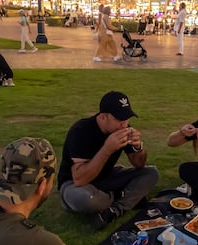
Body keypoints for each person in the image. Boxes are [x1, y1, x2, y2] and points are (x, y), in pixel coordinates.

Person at [59, 91, 159, 229]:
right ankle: (125, 196)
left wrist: (138, 147)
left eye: (127, 118)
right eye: (119, 119)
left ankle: (113, 210)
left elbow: (139, 164)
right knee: (85, 199)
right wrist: (107, 149)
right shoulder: (81, 130)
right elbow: (79, 179)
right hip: (75, 185)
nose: (124, 124)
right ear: (103, 116)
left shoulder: (124, 128)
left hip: (107, 176)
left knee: (151, 173)